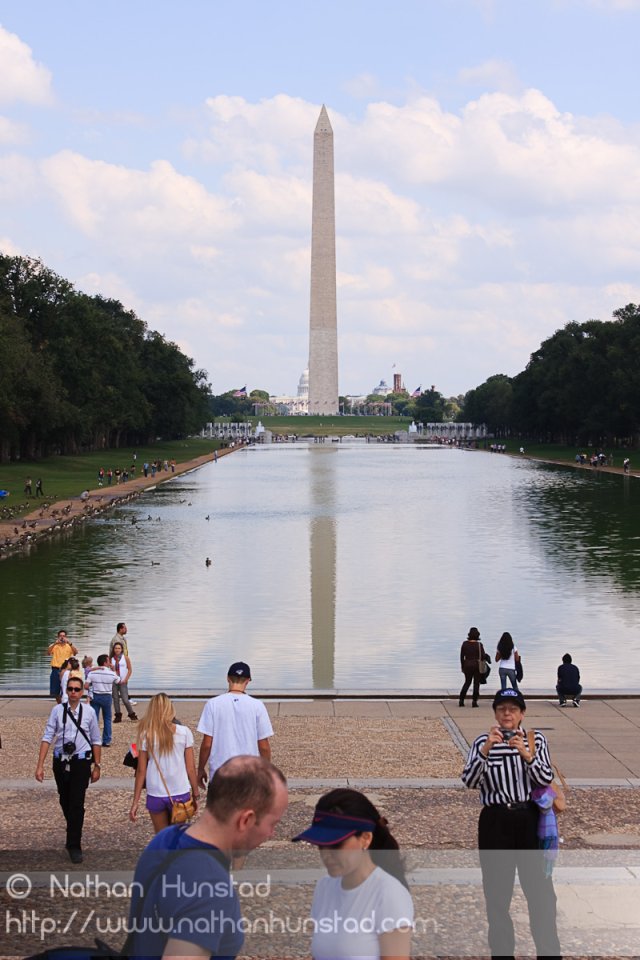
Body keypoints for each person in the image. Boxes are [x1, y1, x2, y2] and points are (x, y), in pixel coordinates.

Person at [127, 755, 288, 960]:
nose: (271, 834)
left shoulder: (167, 838)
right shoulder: (209, 887)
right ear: (246, 820)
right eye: (272, 824)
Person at [461, 688, 561, 959]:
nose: (507, 714)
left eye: (513, 709)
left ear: (522, 714)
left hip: (529, 819)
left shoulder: (535, 739)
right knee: (496, 895)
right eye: (502, 709)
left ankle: (549, 952)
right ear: (495, 713)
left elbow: (544, 778)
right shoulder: (482, 741)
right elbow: (469, 781)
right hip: (495, 822)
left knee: (540, 893)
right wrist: (485, 750)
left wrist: (526, 754)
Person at [293, 788, 413, 960]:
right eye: (321, 845)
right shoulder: (324, 887)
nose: (326, 855)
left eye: (336, 845)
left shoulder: (389, 894)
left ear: (365, 838)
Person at [35, 677, 102, 863]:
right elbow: (48, 736)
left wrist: (97, 765)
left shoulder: (89, 712)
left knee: (76, 802)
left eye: (76, 689)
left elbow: (96, 739)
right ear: (67, 691)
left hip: (81, 762)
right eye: (70, 689)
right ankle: (73, 826)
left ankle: (74, 844)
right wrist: (40, 765)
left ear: (82, 692)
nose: (73, 692)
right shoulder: (57, 711)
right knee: (64, 799)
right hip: (60, 761)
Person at [197, 661, 274, 788]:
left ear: (228, 678)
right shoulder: (257, 705)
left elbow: (207, 743)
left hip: (220, 774)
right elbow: (264, 746)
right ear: (248, 680)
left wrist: (200, 768)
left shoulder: (213, 704)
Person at [130, 692, 198, 832]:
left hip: (156, 792)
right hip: (180, 790)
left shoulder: (146, 735)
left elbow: (141, 771)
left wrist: (135, 802)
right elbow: (190, 767)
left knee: (161, 837)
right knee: (176, 836)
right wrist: (195, 791)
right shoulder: (184, 732)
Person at [85, 653, 120, 747]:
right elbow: (118, 681)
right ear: (105, 662)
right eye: (109, 661)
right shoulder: (111, 673)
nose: (110, 662)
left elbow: (86, 686)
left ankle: (94, 739)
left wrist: (92, 688)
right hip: (107, 696)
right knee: (107, 719)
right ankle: (106, 740)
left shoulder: (92, 673)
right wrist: (113, 670)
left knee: (94, 718)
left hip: (95, 695)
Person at [459, 626, 491, 708]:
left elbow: (462, 656)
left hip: (467, 665)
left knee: (467, 682)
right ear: (477, 635)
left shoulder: (464, 644)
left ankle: (461, 700)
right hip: (476, 665)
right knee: (476, 683)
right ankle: (474, 701)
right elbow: (483, 656)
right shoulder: (479, 645)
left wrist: (462, 666)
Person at [47, 630, 78, 701]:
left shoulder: (69, 646)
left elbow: (76, 652)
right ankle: (60, 705)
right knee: (55, 692)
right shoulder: (54, 646)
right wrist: (55, 643)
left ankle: (66, 704)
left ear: (66, 637)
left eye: (63, 636)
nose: (62, 638)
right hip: (56, 669)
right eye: (60, 636)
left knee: (66, 688)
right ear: (58, 637)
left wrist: (70, 643)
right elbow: (48, 652)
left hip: (66, 670)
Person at [110, 640, 137, 721]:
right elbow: (110, 671)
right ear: (113, 649)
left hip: (123, 681)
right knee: (115, 699)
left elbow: (129, 670)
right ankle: (118, 715)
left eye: (119, 648)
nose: (117, 650)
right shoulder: (111, 659)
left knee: (125, 699)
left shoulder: (125, 658)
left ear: (121, 649)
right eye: (116, 648)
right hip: (114, 682)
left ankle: (131, 713)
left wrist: (126, 679)